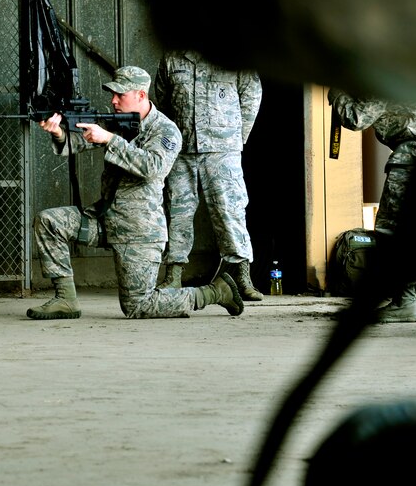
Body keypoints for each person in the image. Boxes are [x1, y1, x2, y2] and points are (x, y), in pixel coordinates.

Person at [26, 66, 244, 320]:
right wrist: (58, 132)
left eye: (120, 95)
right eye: (112, 94)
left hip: (139, 232)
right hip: (105, 220)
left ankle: (216, 292)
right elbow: (78, 142)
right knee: (49, 222)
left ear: (141, 95)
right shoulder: (115, 122)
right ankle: (66, 299)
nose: (113, 100)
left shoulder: (166, 130)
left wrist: (110, 140)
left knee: (138, 305)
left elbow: (153, 167)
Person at [153, 49, 264, 300]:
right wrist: (174, 136)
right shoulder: (172, 58)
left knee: (230, 210)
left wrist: (235, 138)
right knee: (176, 212)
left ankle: (242, 276)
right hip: (182, 149)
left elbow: (251, 96)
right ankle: (173, 275)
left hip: (223, 150)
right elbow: (163, 101)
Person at [328, 88, 416, 323]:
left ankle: (404, 302)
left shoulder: (382, 80)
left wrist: (337, 94)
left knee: (394, 230)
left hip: (412, 157)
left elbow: (356, 118)